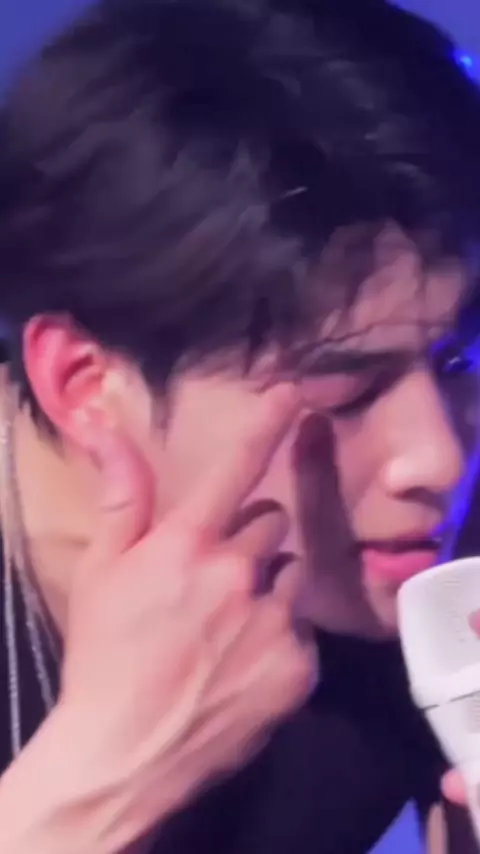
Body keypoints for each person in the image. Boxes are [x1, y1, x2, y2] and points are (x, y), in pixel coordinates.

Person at [0, 0, 480, 850]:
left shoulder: (429, 546)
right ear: (85, 384)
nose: (438, 459)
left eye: (458, 363)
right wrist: (95, 786)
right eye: (344, 392)